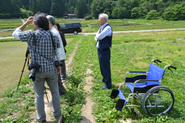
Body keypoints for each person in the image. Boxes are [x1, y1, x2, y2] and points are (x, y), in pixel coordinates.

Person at [12, 13, 61, 122]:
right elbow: (56, 51)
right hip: (51, 69)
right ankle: (57, 114)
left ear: (37, 24)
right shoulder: (53, 35)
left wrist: (25, 23)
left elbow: (15, 34)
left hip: (38, 72)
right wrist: (57, 65)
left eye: (33, 23)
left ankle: (41, 118)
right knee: (55, 93)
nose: (32, 25)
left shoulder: (32, 35)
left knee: (39, 96)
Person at [46, 15, 66, 96]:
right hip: (58, 57)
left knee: (56, 76)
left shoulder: (53, 32)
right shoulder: (54, 31)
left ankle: (60, 91)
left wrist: (57, 60)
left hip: (56, 58)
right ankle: (61, 90)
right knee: (57, 76)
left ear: (49, 22)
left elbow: (56, 47)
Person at [94, 13, 112, 90]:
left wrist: (98, 37)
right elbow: (96, 37)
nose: (98, 20)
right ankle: (104, 79)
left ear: (104, 19)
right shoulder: (102, 27)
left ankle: (108, 84)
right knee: (102, 66)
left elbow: (98, 36)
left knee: (105, 67)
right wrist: (98, 37)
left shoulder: (107, 28)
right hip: (100, 50)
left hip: (104, 50)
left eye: (99, 19)